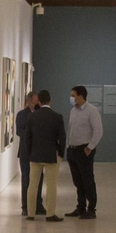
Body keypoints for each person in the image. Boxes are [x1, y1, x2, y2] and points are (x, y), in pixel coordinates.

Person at [23, 90, 66, 222]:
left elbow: (27, 138)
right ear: (50, 100)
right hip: (51, 156)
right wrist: (60, 153)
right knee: (51, 185)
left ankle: (30, 214)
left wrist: (30, 152)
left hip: (35, 156)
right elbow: (62, 138)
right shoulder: (57, 117)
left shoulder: (32, 117)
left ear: (39, 101)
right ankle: (50, 214)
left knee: (33, 184)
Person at [66, 85, 103, 218]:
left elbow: (98, 131)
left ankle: (91, 209)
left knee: (87, 180)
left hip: (84, 150)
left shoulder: (91, 111)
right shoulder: (73, 111)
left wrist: (90, 147)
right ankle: (80, 207)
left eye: (73, 95)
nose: (71, 98)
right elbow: (71, 130)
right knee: (78, 181)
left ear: (81, 96)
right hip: (72, 150)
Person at [13, 91, 44, 216]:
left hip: (38, 151)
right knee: (26, 179)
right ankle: (26, 206)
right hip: (26, 152)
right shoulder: (22, 114)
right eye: (34, 102)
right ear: (29, 101)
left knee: (39, 179)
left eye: (38, 102)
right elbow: (19, 131)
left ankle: (38, 205)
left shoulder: (40, 114)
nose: (36, 104)